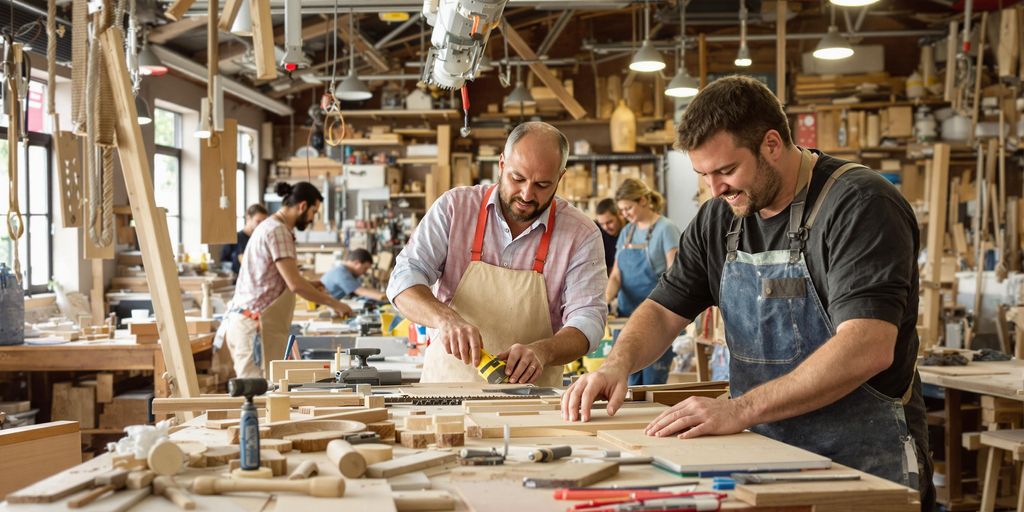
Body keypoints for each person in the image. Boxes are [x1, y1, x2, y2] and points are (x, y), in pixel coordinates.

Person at [561, 76, 933, 509]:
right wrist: (617, 365)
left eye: (725, 171)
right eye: (703, 175)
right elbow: (664, 309)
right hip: (761, 455)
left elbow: (867, 345)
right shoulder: (719, 218)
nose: (714, 189)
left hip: (861, 461)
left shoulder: (859, 205)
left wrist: (738, 410)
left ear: (772, 144)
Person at [387, 121, 608, 386]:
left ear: (560, 178)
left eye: (542, 184)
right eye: (518, 179)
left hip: (531, 402)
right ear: (501, 165)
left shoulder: (581, 234)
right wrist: (445, 320)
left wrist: (543, 351)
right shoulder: (455, 208)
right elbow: (404, 280)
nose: (527, 194)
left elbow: (589, 322)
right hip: (447, 393)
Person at [215, 182, 353, 379]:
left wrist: (310, 285)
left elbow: (280, 277)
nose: (313, 218)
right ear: (302, 206)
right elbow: (294, 284)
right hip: (253, 328)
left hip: (249, 324)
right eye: (314, 211)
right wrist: (334, 304)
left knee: (264, 400)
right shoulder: (278, 231)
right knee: (258, 402)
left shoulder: (269, 226)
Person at [603, 178, 681, 385]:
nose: (625, 214)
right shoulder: (626, 233)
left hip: (656, 320)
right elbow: (616, 276)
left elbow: (676, 275)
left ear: (644, 200)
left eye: (628, 208)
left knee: (651, 386)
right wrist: (604, 301)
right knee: (624, 384)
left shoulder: (666, 229)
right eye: (622, 210)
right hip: (625, 319)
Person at [221, 204, 269, 278]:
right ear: (248, 218)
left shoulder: (264, 240)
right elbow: (223, 262)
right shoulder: (234, 238)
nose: (261, 225)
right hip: (237, 281)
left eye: (264, 222)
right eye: (258, 221)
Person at [320, 248, 386, 302]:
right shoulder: (341, 273)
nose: (365, 271)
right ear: (357, 263)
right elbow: (361, 291)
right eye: (365, 268)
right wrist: (388, 297)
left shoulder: (348, 272)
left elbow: (364, 289)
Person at [594, 198, 624, 274]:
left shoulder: (630, 230)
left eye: (609, 222)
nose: (606, 227)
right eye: (602, 224)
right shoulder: (596, 230)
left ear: (619, 215)